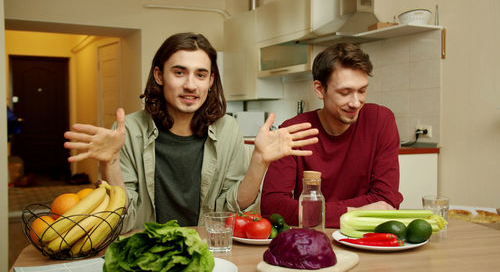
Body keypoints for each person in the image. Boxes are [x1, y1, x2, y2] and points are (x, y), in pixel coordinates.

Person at [63, 32, 318, 232]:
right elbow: (122, 218)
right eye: (179, 72)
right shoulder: (128, 131)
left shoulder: (227, 129)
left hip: (204, 252)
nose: (190, 85)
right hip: (144, 252)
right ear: (159, 75)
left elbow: (231, 209)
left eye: (200, 74)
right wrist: (111, 163)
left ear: (210, 81)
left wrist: (259, 162)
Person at [261, 43, 403, 228]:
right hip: (312, 239)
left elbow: (386, 201)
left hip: (368, 239)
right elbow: (273, 207)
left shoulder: (381, 121)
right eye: (345, 92)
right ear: (320, 89)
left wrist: (313, 211)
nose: (355, 103)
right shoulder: (293, 130)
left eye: (362, 91)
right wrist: (352, 213)